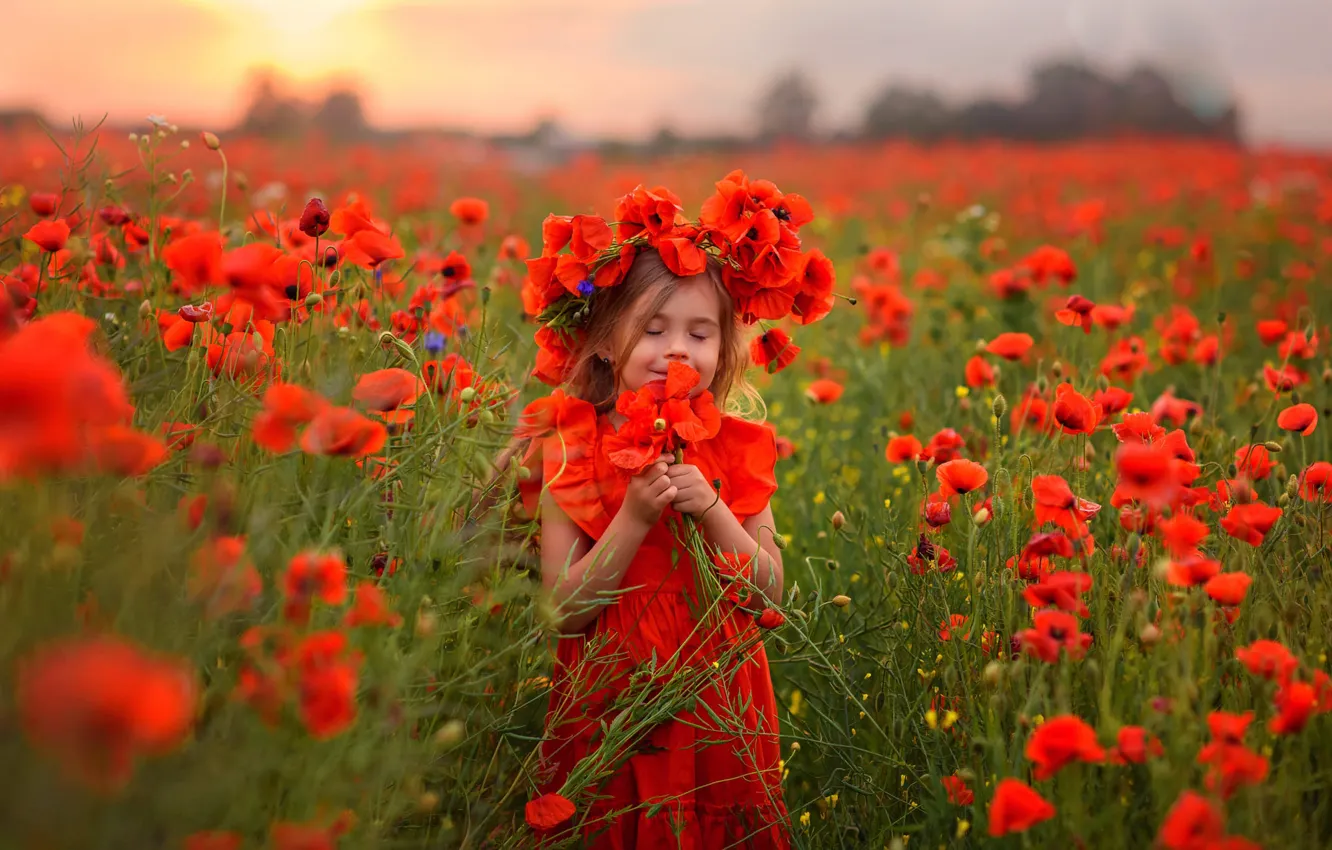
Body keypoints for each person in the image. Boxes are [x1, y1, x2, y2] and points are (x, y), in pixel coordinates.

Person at [513, 175, 835, 848]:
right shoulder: (573, 447)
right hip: (613, 706)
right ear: (605, 341)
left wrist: (713, 510)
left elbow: (768, 593)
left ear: (725, 347)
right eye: (653, 330)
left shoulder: (738, 448)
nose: (678, 349)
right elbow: (562, 610)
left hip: (719, 706)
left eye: (700, 332)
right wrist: (633, 519)